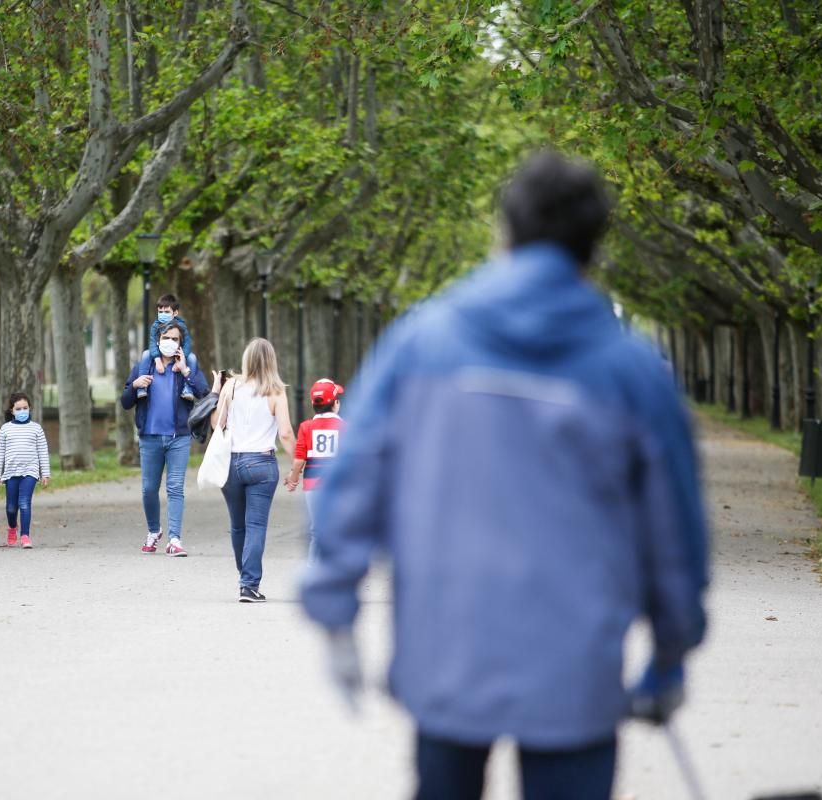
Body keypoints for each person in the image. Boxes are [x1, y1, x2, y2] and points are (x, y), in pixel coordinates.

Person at [299, 151, 709, 799]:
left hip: (446, 656)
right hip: (576, 671)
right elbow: (675, 532)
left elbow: (351, 481)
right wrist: (671, 651)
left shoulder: (424, 341)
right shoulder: (633, 371)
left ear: (506, 231)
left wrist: (335, 611)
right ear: (595, 246)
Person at [210, 338, 297, 602]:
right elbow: (285, 433)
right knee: (256, 525)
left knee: (238, 527)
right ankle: (248, 584)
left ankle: (245, 578)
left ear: (247, 359)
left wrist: (216, 389)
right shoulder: (276, 391)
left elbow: (217, 424)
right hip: (261, 464)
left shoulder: (231, 386)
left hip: (231, 464)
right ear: (272, 361)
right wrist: (297, 466)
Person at [121, 321, 209, 556]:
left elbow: (204, 394)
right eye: (166, 338)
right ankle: (154, 531)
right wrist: (135, 386)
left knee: (175, 488)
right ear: (158, 340)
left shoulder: (185, 365)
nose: (170, 342)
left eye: (175, 339)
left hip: (178, 438)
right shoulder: (145, 365)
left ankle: (174, 539)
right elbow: (125, 401)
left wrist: (187, 372)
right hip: (149, 438)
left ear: (181, 344)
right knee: (149, 489)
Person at [284, 378, 345, 561]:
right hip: (338, 484)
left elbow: (299, 459)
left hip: (313, 485)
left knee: (316, 529)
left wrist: (293, 478)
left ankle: (314, 568)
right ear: (336, 404)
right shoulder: (344, 427)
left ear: (312, 403)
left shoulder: (306, 427)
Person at [0, 393, 51, 549]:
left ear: (29, 408)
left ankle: (25, 536)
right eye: (18, 409)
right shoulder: (5, 429)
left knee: (24, 503)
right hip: (11, 472)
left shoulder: (36, 429)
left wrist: (45, 473)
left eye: (25, 408)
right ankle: (12, 527)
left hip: (30, 472)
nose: (22, 411)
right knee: (11, 507)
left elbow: (43, 451)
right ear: (12, 411)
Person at [138, 294, 197, 402]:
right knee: (146, 354)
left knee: (192, 358)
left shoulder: (181, 326)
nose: (162, 315)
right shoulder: (155, 326)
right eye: (160, 312)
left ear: (175, 313)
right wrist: (157, 360)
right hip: (159, 353)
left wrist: (181, 359)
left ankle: (188, 389)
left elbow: (187, 344)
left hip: (177, 354)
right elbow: (152, 343)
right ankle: (142, 388)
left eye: (166, 312)